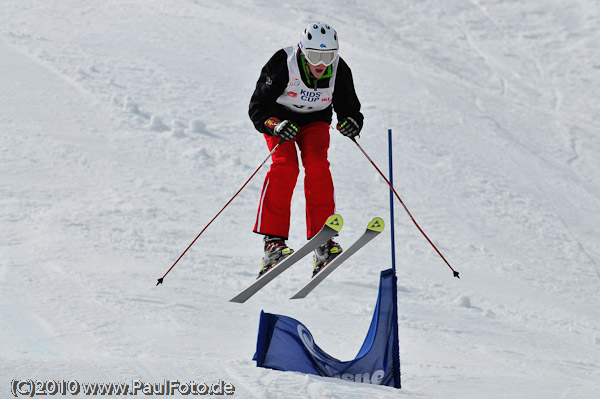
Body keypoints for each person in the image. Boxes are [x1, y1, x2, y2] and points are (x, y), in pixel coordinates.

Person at [249, 22, 364, 277]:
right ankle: (273, 243)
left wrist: (351, 123)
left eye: (328, 56)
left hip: (315, 121)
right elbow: (257, 107)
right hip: (282, 122)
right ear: (302, 52)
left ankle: (322, 241)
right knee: (285, 167)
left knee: (317, 165)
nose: (321, 63)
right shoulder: (283, 62)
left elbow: (350, 108)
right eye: (314, 56)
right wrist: (276, 126)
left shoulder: (338, 69)